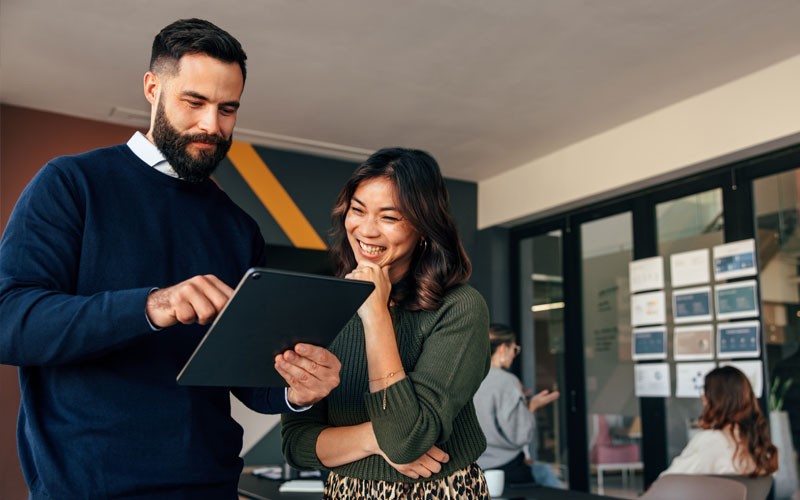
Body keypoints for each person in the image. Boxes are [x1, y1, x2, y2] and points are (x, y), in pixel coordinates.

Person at [0, 18, 341, 499]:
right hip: (86, 490)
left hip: (210, 488)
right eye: (195, 102)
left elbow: (247, 377)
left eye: (228, 109)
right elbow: (9, 322)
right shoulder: (71, 185)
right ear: (152, 88)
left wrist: (295, 389)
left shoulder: (239, 229)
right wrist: (152, 306)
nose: (212, 125)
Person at [280, 147, 492, 498]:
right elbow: (297, 443)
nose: (366, 230)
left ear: (423, 228)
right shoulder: (319, 307)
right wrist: (373, 439)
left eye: (389, 218)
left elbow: (406, 442)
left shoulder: (459, 308)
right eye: (358, 210)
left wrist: (375, 314)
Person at [473, 323, 563, 488]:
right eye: (514, 349)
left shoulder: (468, 378)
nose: (514, 355)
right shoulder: (507, 381)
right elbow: (520, 435)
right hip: (506, 469)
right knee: (546, 475)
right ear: (502, 349)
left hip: (475, 468)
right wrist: (531, 408)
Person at [661, 365, 778, 477]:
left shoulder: (711, 440)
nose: (702, 396)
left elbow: (668, 482)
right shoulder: (758, 444)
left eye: (706, 391)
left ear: (718, 399)